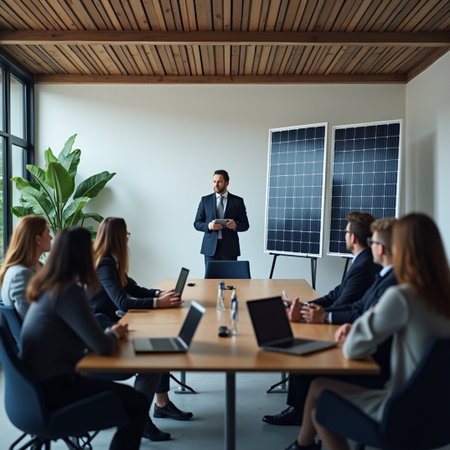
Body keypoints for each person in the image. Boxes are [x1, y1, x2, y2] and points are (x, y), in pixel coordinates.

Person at [284, 213, 450, 450]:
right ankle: (302, 445)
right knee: (318, 394)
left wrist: (359, 327)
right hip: (440, 413)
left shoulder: (403, 296)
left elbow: (353, 349)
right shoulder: (442, 294)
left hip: (401, 409)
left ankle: (303, 446)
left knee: (320, 408)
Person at [20, 227, 148, 450]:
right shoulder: (69, 291)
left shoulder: (48, 285)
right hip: (56, 389)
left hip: (32, 391)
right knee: (137, 402)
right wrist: (114, 334)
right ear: (80, 256)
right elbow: (102, 347)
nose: (95, 255)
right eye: (91, 251)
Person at [263, 217, 397, 426]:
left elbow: (351, 307)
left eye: (376, 243)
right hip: (358, 339)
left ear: (352, 237)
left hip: (371, 360)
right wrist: (307, 307)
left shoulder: (372, 270)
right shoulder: (374, 270)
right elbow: (345, 299)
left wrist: (319, 316)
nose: (372, 246)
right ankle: (302, 421)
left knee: (303, 352)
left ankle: (299, 412)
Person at [89, 217, 192, 442]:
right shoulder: (104, 263)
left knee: (159, 342)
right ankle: (140, 419)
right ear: (117, 236)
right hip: (103, 332)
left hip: (110, 327)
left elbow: (131, 287)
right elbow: (122, 302)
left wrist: (159, 294)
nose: (128, 238)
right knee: (153, 357)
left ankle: (162, 403)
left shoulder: (110, 260)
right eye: (125, 233)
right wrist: (158, 303)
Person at [0, 215, 52, 319]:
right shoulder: (20, 274)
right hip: (39, 333)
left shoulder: (39, 266)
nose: (51, 237)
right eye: (48, 233)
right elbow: (30, 318)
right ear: (38, 239)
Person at [194, 169, 249, 266]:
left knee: (230, 280)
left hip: (230, 249)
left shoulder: (238, 201)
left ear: (227, 183)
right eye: (214, 181)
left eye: (219, 181)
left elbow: (245, 225)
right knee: (210, 280)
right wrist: (209, 226)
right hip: (210, 249)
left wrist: (236, 225)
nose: (216, 184)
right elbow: (197, 223)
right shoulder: (205, 200)